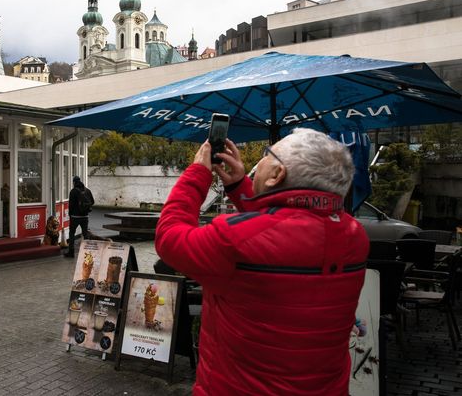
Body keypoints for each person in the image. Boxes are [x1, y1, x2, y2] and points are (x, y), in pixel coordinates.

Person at [155, 128, 369, 395]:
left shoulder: (232, 238)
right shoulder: (354, 235)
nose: (260, 162)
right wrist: (239, 187)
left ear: (277, 174)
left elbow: (169, 238)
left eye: (268, 155)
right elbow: (285, 229)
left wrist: (198, 173)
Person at [65, 175, 94, 258]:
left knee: (71, 233)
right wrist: (86, 208)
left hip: (75, 217)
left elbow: (71, 205)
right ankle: (88, 252)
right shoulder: (87, 190)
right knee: (85, 234)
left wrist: (70, 214)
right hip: (85, 216)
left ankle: (71, 252)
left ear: (74, 182)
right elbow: (92, 201)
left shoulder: (73, 191)